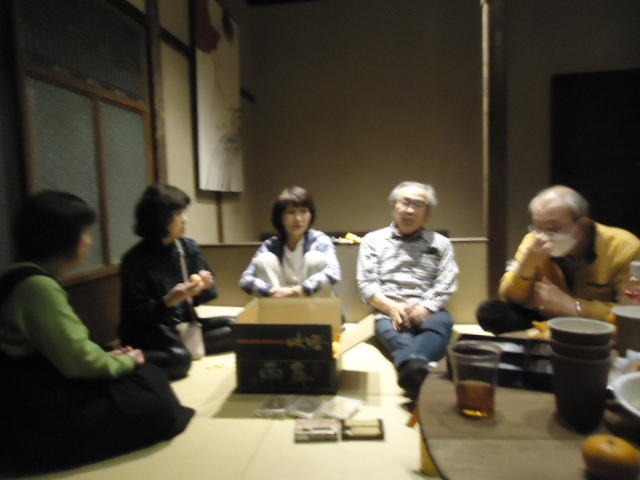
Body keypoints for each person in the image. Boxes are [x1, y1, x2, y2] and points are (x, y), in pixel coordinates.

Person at [0, 191, 193, 474]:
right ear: (62, 238)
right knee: (152, 390)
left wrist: (111, 355)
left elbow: (68, 347)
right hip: (32, 399)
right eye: (85, 233)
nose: (89, 241)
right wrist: (126, 360)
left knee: (153, 373)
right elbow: (80, 359)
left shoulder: (24, 276)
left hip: (41, 380)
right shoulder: (37, 287)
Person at [477, 185, 640, 335]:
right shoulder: (533, 241)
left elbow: (633, 312)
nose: (542, 236)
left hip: (596, 324)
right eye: (537, 227)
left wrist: (574, 307)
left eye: (552, 228)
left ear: (583, 226)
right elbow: (510, 297)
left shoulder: (625, 247)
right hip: (547, 316)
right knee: (490, 312)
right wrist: (526, 265)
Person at [119, 184, 234, 380]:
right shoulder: (134, 260)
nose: (185, 219)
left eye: (184, 212)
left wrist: (204, 286)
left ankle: (183, 349)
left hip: (186, 325)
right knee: (180, 359)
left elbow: (204, 298)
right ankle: (140, 357)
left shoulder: (189, 248)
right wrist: (168, 301)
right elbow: (135, 316)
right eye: (178, 213)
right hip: (151, 332)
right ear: (159, 218)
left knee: (238, 326)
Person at [356, 181, 458, 400]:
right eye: (405, 203)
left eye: (418, 204)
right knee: (392, 332)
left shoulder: (441, 243)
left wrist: (425, 308)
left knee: (443, 323)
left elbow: (447, 282)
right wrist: (392, 308)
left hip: (431, 311)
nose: (410, 210)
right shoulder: (373, 240)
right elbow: (367, 284)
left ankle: (410, 365)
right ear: (394, 206)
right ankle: (420, 368)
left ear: (427, 212)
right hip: (388, 311)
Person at [240, 186, 341, 297]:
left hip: (314, 302)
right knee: (264, 259)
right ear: (280, 217)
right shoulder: (271, 245)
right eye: (291, 212)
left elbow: (334, 272)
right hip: (280, 300)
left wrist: (300, 290)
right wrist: (271, 291)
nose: (298, 218)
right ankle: (277, 306)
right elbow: (246, 279)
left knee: (314, 258)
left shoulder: (320, 240)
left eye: (303, 211)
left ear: (310, 215)